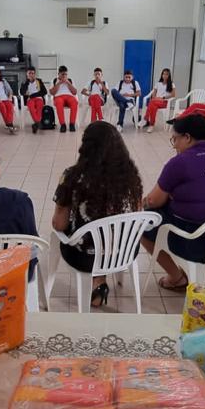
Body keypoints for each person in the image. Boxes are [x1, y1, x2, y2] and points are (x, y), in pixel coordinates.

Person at [141, 114, 205, 291]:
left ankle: (177, 277)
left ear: (187, 137)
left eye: (175, 139)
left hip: (198, 240)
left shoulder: (180, 162)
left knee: (144, 223)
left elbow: (153, 200)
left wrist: (144, 203)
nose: (175, 146)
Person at [52, 122, 142, 307]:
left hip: (86, 258)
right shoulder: (130, 175)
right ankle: (99, 282)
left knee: (70, 236)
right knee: (104, 231)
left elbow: (59, 224)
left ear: (85, 146)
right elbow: (137, 210)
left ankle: (97, 283)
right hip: (124, 251)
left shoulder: (72, 176)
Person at [140, 68, 177, 133]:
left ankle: (146, 118)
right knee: (153, 105)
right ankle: (151, 125)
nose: (165, 75)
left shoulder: (171, 84)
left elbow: (173, 95)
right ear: (161, 75)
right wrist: (156, 98)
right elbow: (154, 94)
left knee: (152, 102)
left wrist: (162, 98)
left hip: (165, 102)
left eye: (166, 74)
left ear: (169, 75)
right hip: (156, 102)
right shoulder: (158, 83)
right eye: (163, 74)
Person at [50, 65, 78, 133]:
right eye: (62, 74)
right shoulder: (54, 80)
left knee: (74, 102)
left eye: (66, 74)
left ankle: (72, 124)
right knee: (59, 103)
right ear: (58, 74)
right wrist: (59, 83)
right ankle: (63, 125)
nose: (64, 76)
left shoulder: (70, 80)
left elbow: (74, 92)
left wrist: (68, 83)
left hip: (69, 97)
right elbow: (52, 92)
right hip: (58, 97)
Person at [20, 67, 48, 134]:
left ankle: (36, 124)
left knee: (39, 107)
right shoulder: (24, 82)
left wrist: (34, 95)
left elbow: (45, 92)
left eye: (32, 73)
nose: (31, 75)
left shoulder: (39, 81)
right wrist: (27, 83)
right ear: (27, 74)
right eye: (29, 73)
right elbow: (22, 92)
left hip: (39, 98)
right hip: (30, 99)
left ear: (35, 74)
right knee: (31, 108)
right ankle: (38, 123)